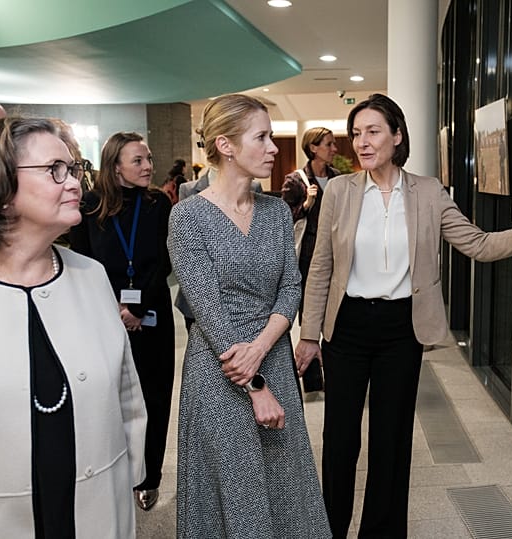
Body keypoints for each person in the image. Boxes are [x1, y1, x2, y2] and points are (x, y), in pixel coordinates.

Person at [294, 93, 512, 538]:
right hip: (347, 328)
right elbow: (321, 266)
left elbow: (479, 244)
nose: (362, 142)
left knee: (391, 441)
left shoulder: (428, 192)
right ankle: (328, 530)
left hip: (400, 331)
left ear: (397, 135)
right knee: (339, 441)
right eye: (356, 133)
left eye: (373, 131)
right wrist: (309, 333)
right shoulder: (340, 191)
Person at [166, 93, 330, 538]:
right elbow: (207, 308)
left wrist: (261, 349)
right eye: (262, 137)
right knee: (236, 488)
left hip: (271, 357)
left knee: (285, 483)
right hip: (220, 371)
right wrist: (255, 383)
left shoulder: (277, 211)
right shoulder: (187, 217)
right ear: (226, 145)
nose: (274, 147)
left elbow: (290, 287)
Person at [0, 117, 146, 536]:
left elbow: (126, 391)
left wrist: (130, 471)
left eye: (74, 167)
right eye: (54, 170)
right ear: (4, 192)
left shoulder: (92, 275)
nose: (76, 183)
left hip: (97, 500)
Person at [69, 132, 175, 512]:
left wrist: (137, 305)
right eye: (138, 161)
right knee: (110, 397)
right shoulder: (89, 205)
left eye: (148, 159)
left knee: (155, 395)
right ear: (115, 166)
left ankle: (149, 477)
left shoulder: (158, 203)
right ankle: (116, 474)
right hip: (104, 315)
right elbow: (81, 261)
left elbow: (166, 259)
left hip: (153, 315)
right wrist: (113, 307)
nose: (148, 166)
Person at [281, 127, 339, 318]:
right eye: (328, 144)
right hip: (309, 253)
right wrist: (306, 204)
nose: (334, 149)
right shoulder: (295, 180)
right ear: (313, 148)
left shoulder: (337, 178)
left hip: (337, 249)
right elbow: (285, 218)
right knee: (310, 304)